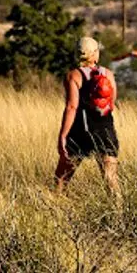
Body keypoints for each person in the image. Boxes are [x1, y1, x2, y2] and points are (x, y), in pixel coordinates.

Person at [55, 36, 120, 199]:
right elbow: (111, 103)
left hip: (81, 132)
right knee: (111, 180)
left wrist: (63, 135)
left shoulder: (73, 76)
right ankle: (120, 216)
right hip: (105, 130)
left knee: (61, 179)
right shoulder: (108, 74)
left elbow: (71, 107)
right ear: (95, 54)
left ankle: (56, 210)